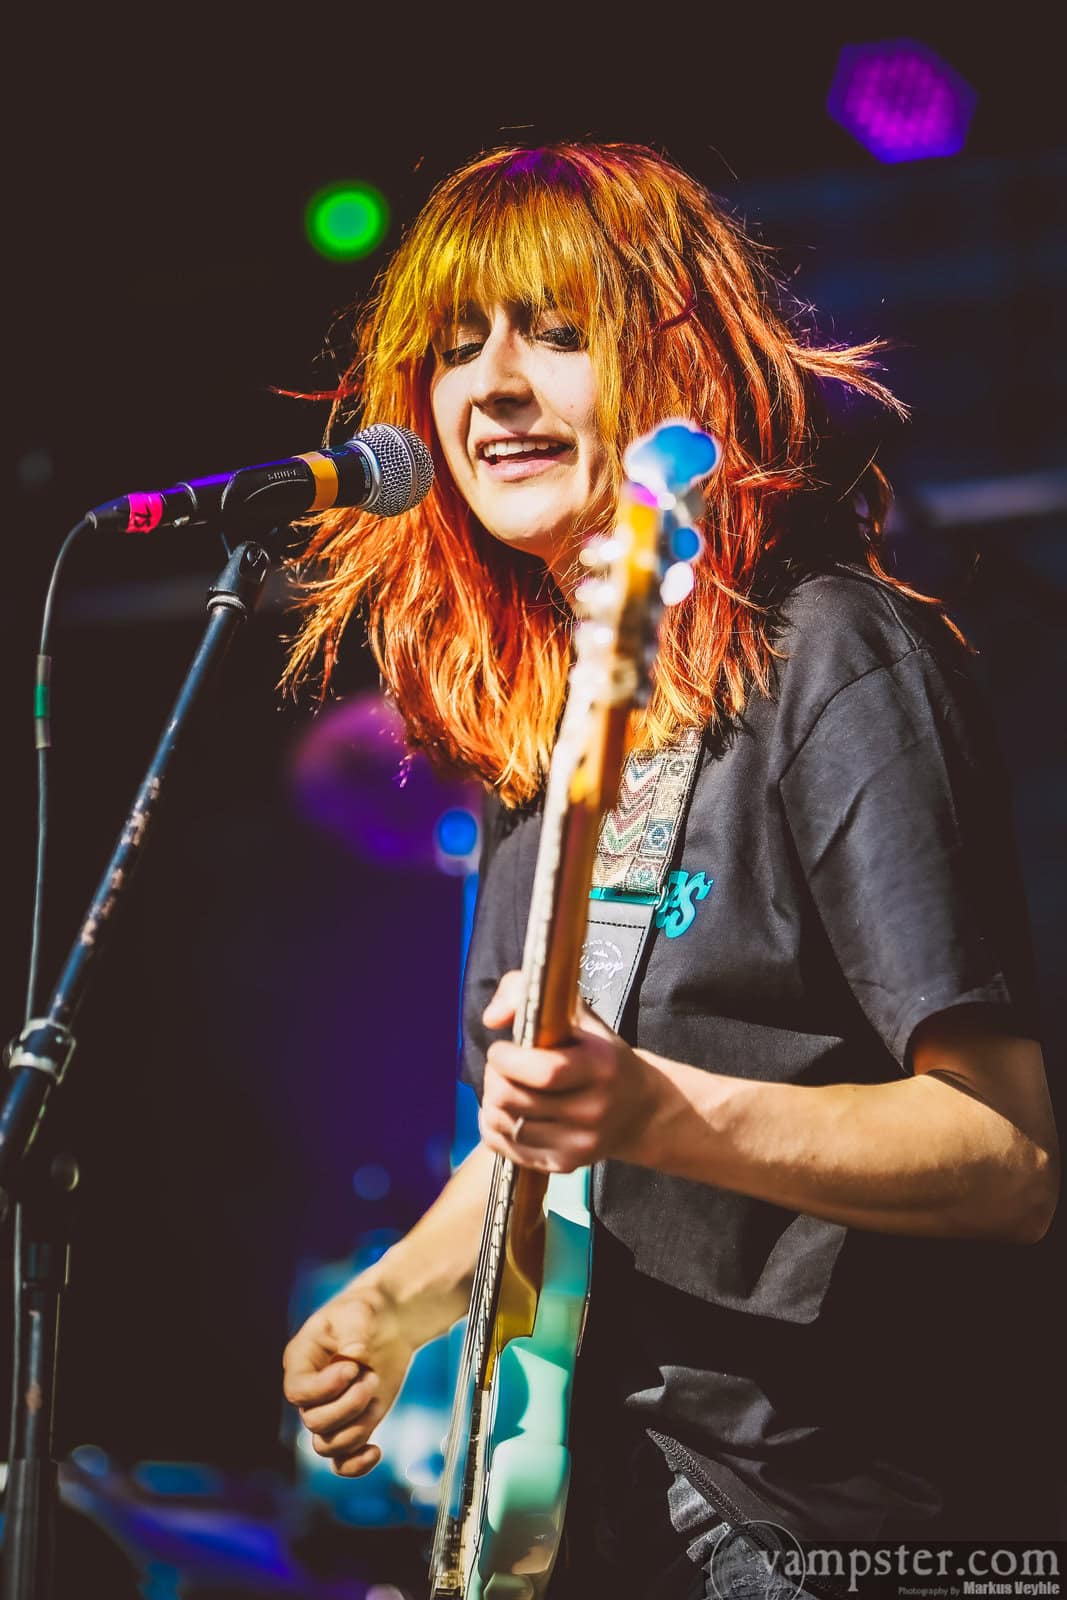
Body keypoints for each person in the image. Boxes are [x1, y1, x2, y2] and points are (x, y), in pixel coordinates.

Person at [280, 142, 1059, 1592]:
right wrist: (391, 1305)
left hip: (822, 1520)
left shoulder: (831, 655)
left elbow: (1007, 1158)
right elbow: (539, 1142)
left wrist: (660, 1110)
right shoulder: (541, 740)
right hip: (599, 1515)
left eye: (554, 334)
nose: (491, 387)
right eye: (455, 348)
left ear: (673, 364)